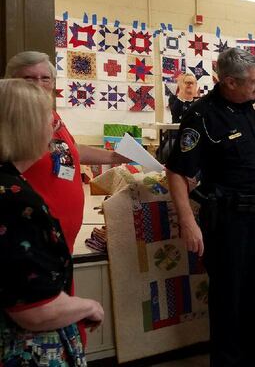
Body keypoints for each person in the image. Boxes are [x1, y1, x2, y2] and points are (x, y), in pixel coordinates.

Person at [166, 19, 255, 367]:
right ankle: (226, 362)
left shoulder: (252, 98)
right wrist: (188, 222)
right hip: (227, 219)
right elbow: (177, 171)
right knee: (229, 295)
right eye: (252, 82)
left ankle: (250, 354)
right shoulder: (202, 117)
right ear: (229, 82)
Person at [0, 79, 104, 366]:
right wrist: (89, 305)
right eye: (49, 121)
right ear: (26, 127)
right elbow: (35, 309)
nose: (56, 129)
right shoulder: (16, 201)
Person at [5, 51, 129, 253]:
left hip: (62, 237)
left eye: (45, 78)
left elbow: (70, 149)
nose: (38, 84)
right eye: (28, 78)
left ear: (53, 83)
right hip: (31, 234)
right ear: (12, 82)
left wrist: (113, 157)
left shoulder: (52, 116)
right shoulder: (10, 124)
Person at [157, 73, 200, 162]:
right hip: (176, 137)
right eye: (187, 82)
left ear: (196, 85)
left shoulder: (199, 103)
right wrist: (182, 92)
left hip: (194, 137)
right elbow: (175, 112)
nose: (189, 85)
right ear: (181, 84)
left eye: (192, 83)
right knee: (170, 149)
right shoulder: (174, 99)